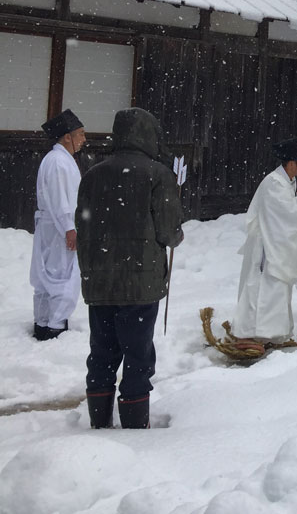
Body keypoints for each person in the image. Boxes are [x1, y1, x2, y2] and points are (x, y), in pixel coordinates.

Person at [75, 107, 184, 429]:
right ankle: (135, 424)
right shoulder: (157, 174)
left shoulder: (93, 173)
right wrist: (176, 234)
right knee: (137, 353)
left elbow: (82, 225)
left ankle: (99, 417)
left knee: (102, 351)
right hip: (140, 282)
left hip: (100, 281)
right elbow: (167, 231)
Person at [233, 137, 297, 342]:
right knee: (261, 290)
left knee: (276, 291)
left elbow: (292, 206)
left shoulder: (287, 181)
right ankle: (250, 334)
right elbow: (288, 212)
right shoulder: (273, 183)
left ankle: (272, 333)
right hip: (266, 248)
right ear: (291, 163)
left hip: (275, 244)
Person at [31, 109, 86, 340]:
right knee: (61, 273)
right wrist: (69, 228)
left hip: (52, 226)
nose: (83, 140)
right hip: (58, 227)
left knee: (49, 273)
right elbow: (61, 199)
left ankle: (44, 323)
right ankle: (54, 326)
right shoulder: (58, 162)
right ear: (67, 137)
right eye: (80, 134)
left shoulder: (59, 160)